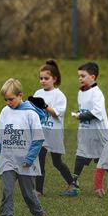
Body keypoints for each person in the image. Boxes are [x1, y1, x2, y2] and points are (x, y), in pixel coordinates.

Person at [0, 78, 48, 216]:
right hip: (7, 160)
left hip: (25, 162)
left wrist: (29, 159)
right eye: (6, 100)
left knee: (28, 194)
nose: (8, 103)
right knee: (7, 191)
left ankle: (39, 215)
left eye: (11, 99)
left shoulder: (31, 114)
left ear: (20, 96)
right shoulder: (5, 111)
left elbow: (38, 139)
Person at [29, 59, 75, 196]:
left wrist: (44, 106)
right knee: (39, 161)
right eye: (41, 78)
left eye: (46, 78)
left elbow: (56, 113)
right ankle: (38, 190)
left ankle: (72, 183)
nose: (43, 81)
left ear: (54, 79)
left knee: (57, 162)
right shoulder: (38, 93)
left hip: (54, 134)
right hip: (40, 134)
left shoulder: (59, 96)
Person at [69, 62, 108, 196]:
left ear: (93, 77)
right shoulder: (81, 92)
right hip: (86, 131)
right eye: (79, 76)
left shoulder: (97, 94)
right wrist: (79, 113)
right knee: (80, 156)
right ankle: (74, 184)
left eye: (83, 76)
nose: (80, 78)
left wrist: (79, 115)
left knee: (106, 160)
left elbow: (96, 112)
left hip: (99, 133)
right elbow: (84, 109)